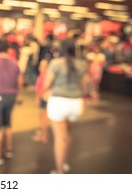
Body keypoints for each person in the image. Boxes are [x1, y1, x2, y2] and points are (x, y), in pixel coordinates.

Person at [42, 39, 94, 174]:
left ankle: (60, 172)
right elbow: (85, 84)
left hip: (59, 102)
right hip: (76, 103)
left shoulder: (55, 63)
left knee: (60, 138)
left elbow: (46, 84)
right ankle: (64, 164)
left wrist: (45, 93)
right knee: (67, 135)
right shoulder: (82, 64)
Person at [33, 58, 50, 144]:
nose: (40, 67)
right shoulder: (43, 75)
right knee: (42, 117)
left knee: (44, 119)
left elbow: (43, 88)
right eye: (40, 65)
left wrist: (38, 98)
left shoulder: (45, 76)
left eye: (43, 66)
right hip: (44, 98)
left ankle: (44, 136)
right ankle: (43, 133)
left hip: (44, 99)